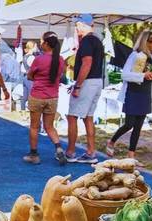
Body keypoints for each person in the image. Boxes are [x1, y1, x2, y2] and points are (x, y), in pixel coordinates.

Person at [106, 31, 152, 162]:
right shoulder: (135, 55)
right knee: (129, 124)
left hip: (145, 93)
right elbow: (125, 75)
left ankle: (131, 155)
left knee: (138, 126)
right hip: (133, 93)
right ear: (147, 42)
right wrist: (142, 76)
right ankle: (111, 141)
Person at [66, 14, 104, 164]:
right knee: (88, 117)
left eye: (77, 24)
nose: (76, 27)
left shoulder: (87, 41)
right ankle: (91, 152)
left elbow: (86, 64)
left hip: (87, 82)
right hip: (97, 81)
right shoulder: (97, 41)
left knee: (72, 116)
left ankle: (70, 152)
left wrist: (78, 85)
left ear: (83, 24)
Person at [23, 32, 66, 165]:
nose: (40, 44)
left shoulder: (39, 59)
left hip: (37, 95)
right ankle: (58, 148)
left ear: (47, 44)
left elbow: (29, 76)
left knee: (34, 126)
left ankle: (34, 154)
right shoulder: (60, 60)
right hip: (52, 97)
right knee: (49, 126)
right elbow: (60, 76)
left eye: (42, 42)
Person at [20, 41, 37, 111]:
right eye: (35, 46)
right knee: (32, 95)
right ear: (32, 48)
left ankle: (22, 111)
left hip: (24, 77)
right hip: (30, 78)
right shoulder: (32, 57)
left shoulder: (25, 56)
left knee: (25, 96)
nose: (36, 48)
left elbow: (22, 69)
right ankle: (32, 111)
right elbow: (34, 69)